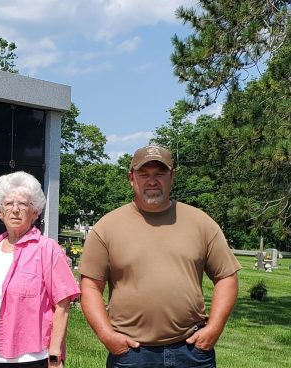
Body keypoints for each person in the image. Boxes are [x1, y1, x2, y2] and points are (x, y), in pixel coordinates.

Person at [79, 145, 241, 368]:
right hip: (131, 353)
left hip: (191, 351)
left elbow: (226, 277)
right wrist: (108, 336)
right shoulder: (107, 227)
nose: (152, 181)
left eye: (160, 173)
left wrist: (214, 328)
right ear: (131, 178)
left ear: (172, 176)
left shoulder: (201, 223)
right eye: (144, 174)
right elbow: (89, 287)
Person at [0, 172, 80, 368]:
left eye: (23, 204)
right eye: (8, 204)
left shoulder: (46, 249)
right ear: (0, 211)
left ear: (35, 212)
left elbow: (63, 305)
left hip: (32, 359)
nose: (15, 210)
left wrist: (54, 356)